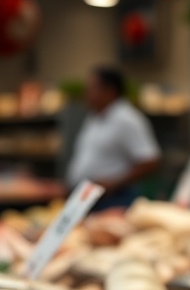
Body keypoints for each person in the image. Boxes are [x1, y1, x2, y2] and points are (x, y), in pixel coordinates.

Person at [66, 66, 160, 209]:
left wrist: (114, 183)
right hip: (87, 197)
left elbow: (150, 160)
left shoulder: (126, 119)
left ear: (109, 91)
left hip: (114, 199)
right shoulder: (95, 116)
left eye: (92, 88)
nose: (86, 93)